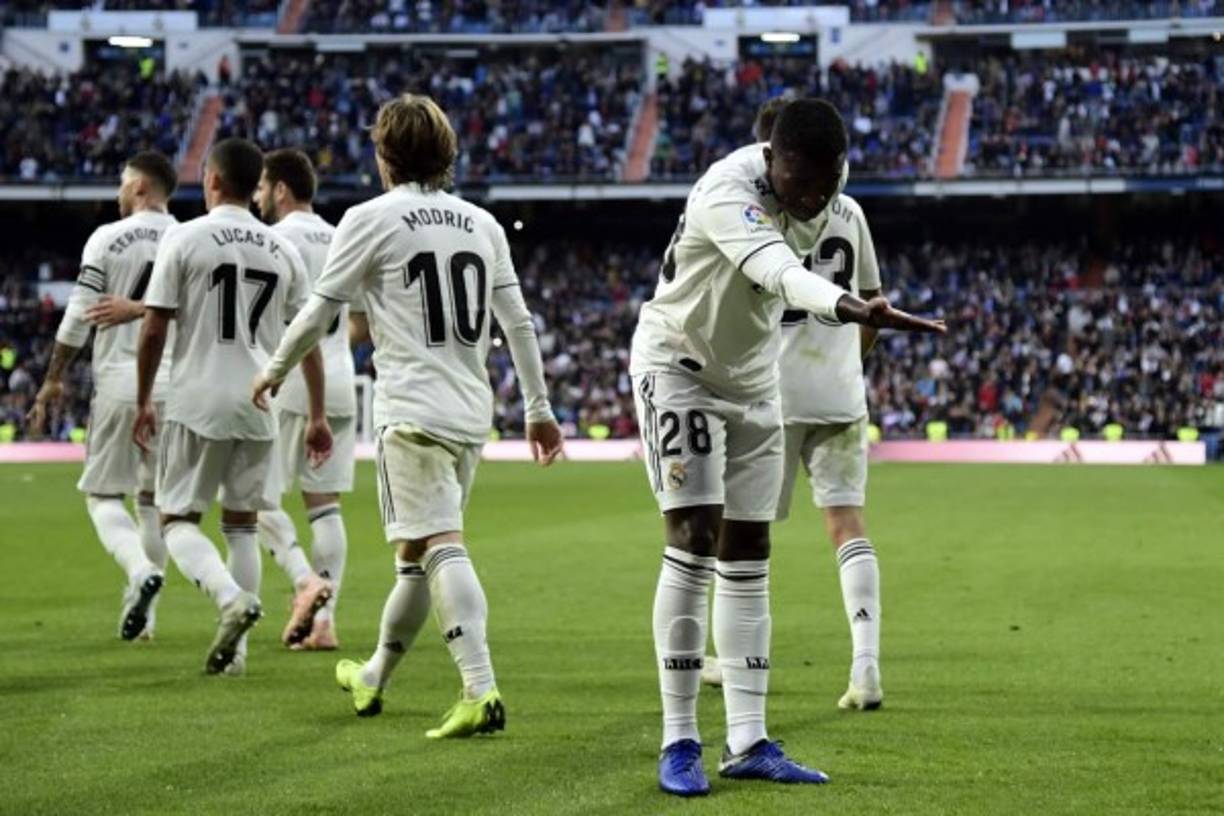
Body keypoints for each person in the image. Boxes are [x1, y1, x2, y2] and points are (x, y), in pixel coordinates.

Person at [630, 98, 945, 796]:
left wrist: (860, 300)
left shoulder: (828, 191)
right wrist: (854, 308)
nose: (814, 198)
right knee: (693, 537)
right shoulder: (726, 191)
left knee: (749, 550)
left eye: (827, 183)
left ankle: (748, 739)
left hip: (755, 378)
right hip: (678, 370)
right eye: (801, 182)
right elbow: (780, 273)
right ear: (772, 157)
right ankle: (679, 738)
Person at [254, 94, 564, 738]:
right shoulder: (482, 224)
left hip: (413, 409)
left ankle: (480, 688)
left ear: (385, 154)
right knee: (416, 553)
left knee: (441, 544)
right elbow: (519, 324)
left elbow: (318, 313)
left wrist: (276, 369)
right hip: (469, 409)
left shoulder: (369, 217)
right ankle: (374, 675)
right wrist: (538, 408)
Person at [705, 96, 887, 712]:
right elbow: (873, 301)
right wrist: (847, 364)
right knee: (847, 525)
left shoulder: (754, 211)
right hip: (838, 391)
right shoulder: (850, 210)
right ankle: (866, 666)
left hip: (771, 391)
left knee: (743, 532)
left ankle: (735, 663)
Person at [134, 138, 331, 676]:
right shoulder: (282, 250)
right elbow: (307, 338)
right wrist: (315, 413)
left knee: (176, 520)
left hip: (197, 398)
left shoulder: (186, 237)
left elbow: (153, 328)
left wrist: (143, 397)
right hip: (258, 403)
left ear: (213, 181)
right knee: (242, 526)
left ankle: (228, 599)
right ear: (254, 186)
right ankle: (235, 658)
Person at [27, 151, 179, 642]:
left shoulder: (108, 239)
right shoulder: (188, 238)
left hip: (120, 381)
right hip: (176, 387)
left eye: (121, 183)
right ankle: (146, 624)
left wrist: (54, 377)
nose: (117, 192)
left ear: (138, 187)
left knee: (102, 495)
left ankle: (139, 571)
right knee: (153, 503)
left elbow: (79, 315)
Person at [253, 149, 351, 651]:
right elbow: (361, 320)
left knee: (253, 498)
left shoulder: (272, 240)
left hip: (291, 380)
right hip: (341, 379)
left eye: (262, 188)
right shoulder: (342, 236)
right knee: (325, 507)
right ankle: (325, 622)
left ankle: (303, 580)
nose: (258, 197)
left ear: (281, 190)